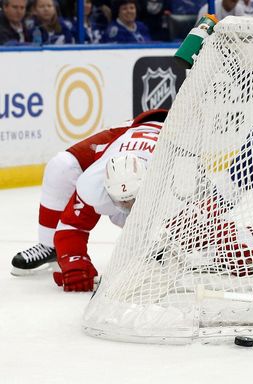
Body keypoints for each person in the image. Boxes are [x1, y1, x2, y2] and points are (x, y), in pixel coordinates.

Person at [10, 109, 167, 291]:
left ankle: (160, 245)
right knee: (61, 166)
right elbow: (72, 225)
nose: (126, 206)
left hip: (168, 136)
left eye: (131, 201)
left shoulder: (174, 174)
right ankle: (50, 246)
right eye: (121, 201)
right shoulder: (96, 181)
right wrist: (74, 262)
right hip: (124, 136)